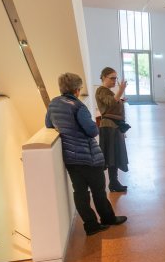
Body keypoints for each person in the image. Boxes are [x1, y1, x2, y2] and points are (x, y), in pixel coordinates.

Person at [45, 73, 127, 236]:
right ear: (76, 89)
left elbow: (48, 124)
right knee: (98, 189)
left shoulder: (53, 104)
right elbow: (91, 130)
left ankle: (90, 225)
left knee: (80, 192)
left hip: (70, 157)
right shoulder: (78, 106)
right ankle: (107, 218)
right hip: (87, 156)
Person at [96, 67, 130, 192]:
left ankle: (114, 182)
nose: (115, 81)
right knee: (112, 156)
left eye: (116, 78)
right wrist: (120, 91)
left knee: (114, 155)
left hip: (113, 127)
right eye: (112, 78)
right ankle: (113, 183)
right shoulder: (101, 90)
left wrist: (120, 100)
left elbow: (111, 104)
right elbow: (110, 103)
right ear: (104, 77)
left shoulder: (107, 91)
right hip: (109, 127)